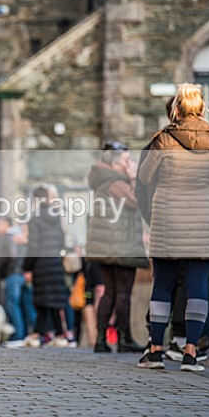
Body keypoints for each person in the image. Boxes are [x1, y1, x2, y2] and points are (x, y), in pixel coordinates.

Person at [137, 83, 209, 371]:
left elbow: (145, 175)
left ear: (177, 107)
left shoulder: (164, 138)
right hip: (201, 215)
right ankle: (190, 353)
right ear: (201, 107)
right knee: (197, 286)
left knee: (162, 284)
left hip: (168, 216)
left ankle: (155, 350)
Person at [86, 142, 149, 353]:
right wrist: (133, 177)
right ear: (114, 164)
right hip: (120, 246)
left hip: (107, 246)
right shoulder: (116, 183)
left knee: (111, 292)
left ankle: (102, 339)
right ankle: (124, 338)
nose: (130, 164)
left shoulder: (104, 181)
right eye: (126, 161)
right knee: (122, 292)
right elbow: (136, 201)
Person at [23, 186, 72, 347]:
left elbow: (33, 246)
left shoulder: (35, 219)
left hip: (41, 264)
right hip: (55, 261)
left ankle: (39, 334)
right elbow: (61, 241)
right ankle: (58, 334)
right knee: (53, 301)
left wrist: (27, 266)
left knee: (43, 300)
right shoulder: (56, 217)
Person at [0, 217, 30, 344]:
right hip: (20, 273)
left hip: (13, 274)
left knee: (12, 305)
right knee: (23, 305)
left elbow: (10, 256)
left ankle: (18, 335)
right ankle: (25, 334)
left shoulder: (9, 236)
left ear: (5, 224)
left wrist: (3, 271)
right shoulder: (17, 236)